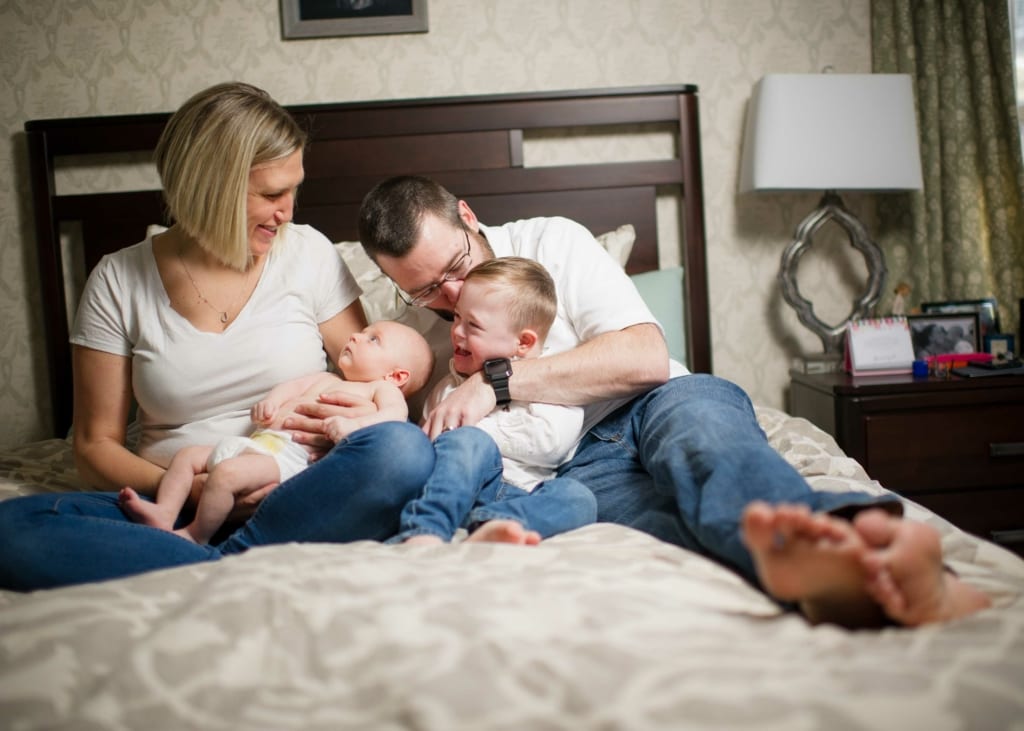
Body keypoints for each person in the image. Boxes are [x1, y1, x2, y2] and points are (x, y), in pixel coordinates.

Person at [337, 174, 991, 628]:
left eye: (455, 263)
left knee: (713, 453)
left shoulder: (553, 242)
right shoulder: (415, 337)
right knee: (678, 527)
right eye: (426, 290)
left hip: (658, 401)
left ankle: (862, 551)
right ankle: (838, 572)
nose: (451, 294)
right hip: (574, 468)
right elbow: (417, 435)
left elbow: (644, 357)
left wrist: (498, 382)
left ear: (468, 216)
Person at [0, 82, 435, 591]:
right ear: (214, 187)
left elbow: (370, 379)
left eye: (294, 189)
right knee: (10, 530)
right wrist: (193, 490)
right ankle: (225, 553)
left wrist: (353, 428)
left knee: (404, 451)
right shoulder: (117, 280)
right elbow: (94, 446)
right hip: (174, 495)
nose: (289, 210)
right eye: (272, 194)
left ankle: (209, 554)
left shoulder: (309, 254)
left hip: (296, 487)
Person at [120, 320, 434, 544]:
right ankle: (164, 511)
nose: (355, 336)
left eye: (373, 339)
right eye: (363, 331)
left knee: (227, 476)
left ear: (397, 375)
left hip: (288, 460)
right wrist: (270, 403)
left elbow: (397, 416)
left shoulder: (379, 390)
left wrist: (352, 426)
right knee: (187, 456)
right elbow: (291, 387)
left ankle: (196, 534)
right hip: (255, 443)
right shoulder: (327, 378)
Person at [391, 257, 596, 546]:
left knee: (579, 498)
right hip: (451, 491)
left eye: (473, 325)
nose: (457, 331)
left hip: (517, 496)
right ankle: (425, 531)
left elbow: (550, 444)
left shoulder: (551, 386)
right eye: (458, 317)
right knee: (469, 442)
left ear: (522, 343)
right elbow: (428, 444)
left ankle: (492, 526)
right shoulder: (449, 388)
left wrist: (471, 430)